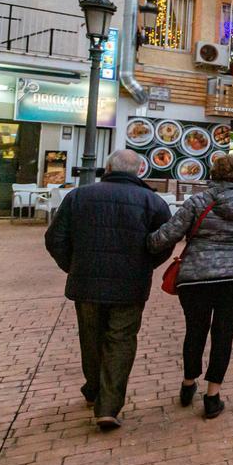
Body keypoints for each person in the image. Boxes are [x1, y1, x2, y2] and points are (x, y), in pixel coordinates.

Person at [44, 149, 172, 431]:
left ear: (107, 167)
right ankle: (108, 405)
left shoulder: (78, 197)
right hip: (130, 284)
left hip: (86, 282)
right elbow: (165, 241)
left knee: (90, 337)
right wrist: (145, 265)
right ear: (139, 171)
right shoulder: (152, 201)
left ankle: (93, 389)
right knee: (121, 340)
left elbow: (55, 238)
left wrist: (73, 266)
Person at [148, 154, 233, 419]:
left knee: (195, 330)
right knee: (223, 333)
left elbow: (168, 235)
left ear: (215, 173)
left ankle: (188, 383)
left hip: (196, 277)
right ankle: (213, 394)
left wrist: (143, 242)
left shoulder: (198, 201)